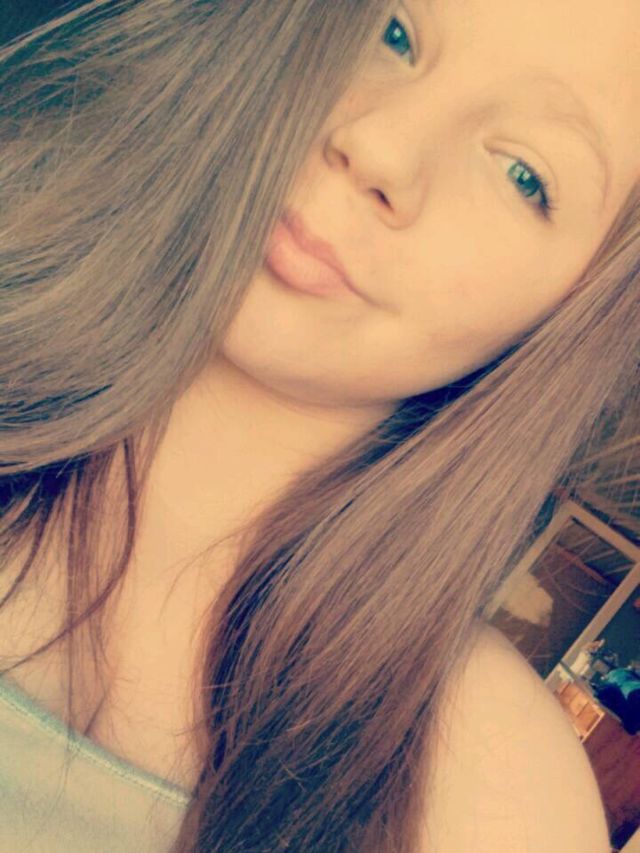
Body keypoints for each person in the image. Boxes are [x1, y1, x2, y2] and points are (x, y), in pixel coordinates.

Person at [0, 0, 636, 849]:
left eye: (524, 174)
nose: (379, 147)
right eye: (394, 32)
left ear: (572, 318)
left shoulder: (491, 798)